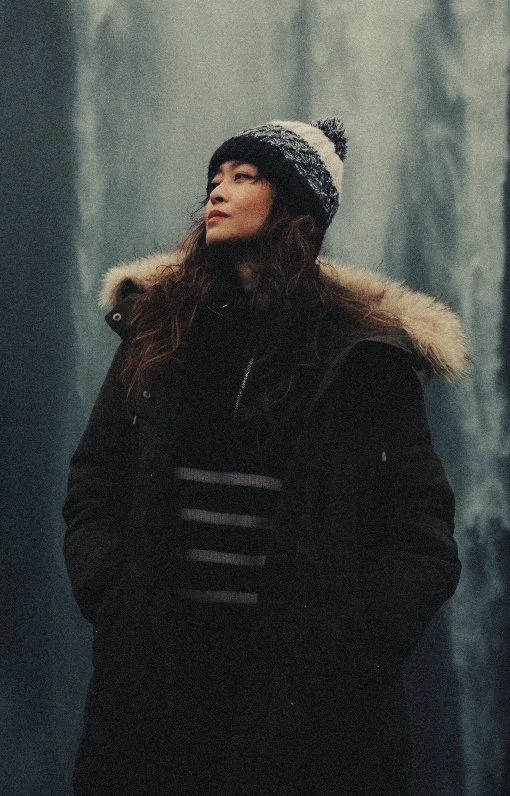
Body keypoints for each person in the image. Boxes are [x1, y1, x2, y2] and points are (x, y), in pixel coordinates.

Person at [62, 117, 465, 796]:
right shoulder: (157, 328)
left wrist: (352, 646)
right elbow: (94, 484)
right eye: (215, 178)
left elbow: (423, 534)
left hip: (310, 705)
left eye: (243, 177)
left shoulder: (364, 354)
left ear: (295, 208)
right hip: (160, 680)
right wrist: (116, 593)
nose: (217, 190)